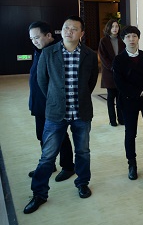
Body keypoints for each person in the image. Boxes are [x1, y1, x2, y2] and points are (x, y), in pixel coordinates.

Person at [24, 16, 99, 214]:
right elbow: (42, 81)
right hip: (56, 112)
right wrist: (56, 99)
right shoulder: (48, 53)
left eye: (74, 29)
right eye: (66, 27)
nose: (68, 31)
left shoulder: (90, 55)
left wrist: (80, 96)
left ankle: (82, 183)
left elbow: (91, 82)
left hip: (81, 112)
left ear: (82, 33)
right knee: (47, 155)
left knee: (83, 152)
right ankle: (39, 193)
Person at [113, 25, 143, 180]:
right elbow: (119, 83)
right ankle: (132, 165)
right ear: (123, 40)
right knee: (130, 133)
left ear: (138, 38)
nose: (131, 39)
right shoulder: (118, 60)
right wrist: (139, 92)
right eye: (128, 36)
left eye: (134, 36)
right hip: (129, 101)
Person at [27, 21, 75, 182]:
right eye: (32, 38)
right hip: (39, 104)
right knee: (41, 135)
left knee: (60, 136)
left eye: (37, 37)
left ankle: (68, 166)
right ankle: (48, 164)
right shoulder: (38, 51)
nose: (34, 41)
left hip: (54, 105)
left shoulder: (57, 52)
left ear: (48, 35)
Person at [98, 19, 125, 127]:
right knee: (110, 98)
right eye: (113, 26)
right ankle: (112, 120)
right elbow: (103, 57)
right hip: (109, 73)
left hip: (121, 73)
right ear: (108, 28)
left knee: (120, 98)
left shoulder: (122, 40)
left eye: (117, 26)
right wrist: (112, 67)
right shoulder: (104, 41)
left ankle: (121, 119)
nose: (115, 28)